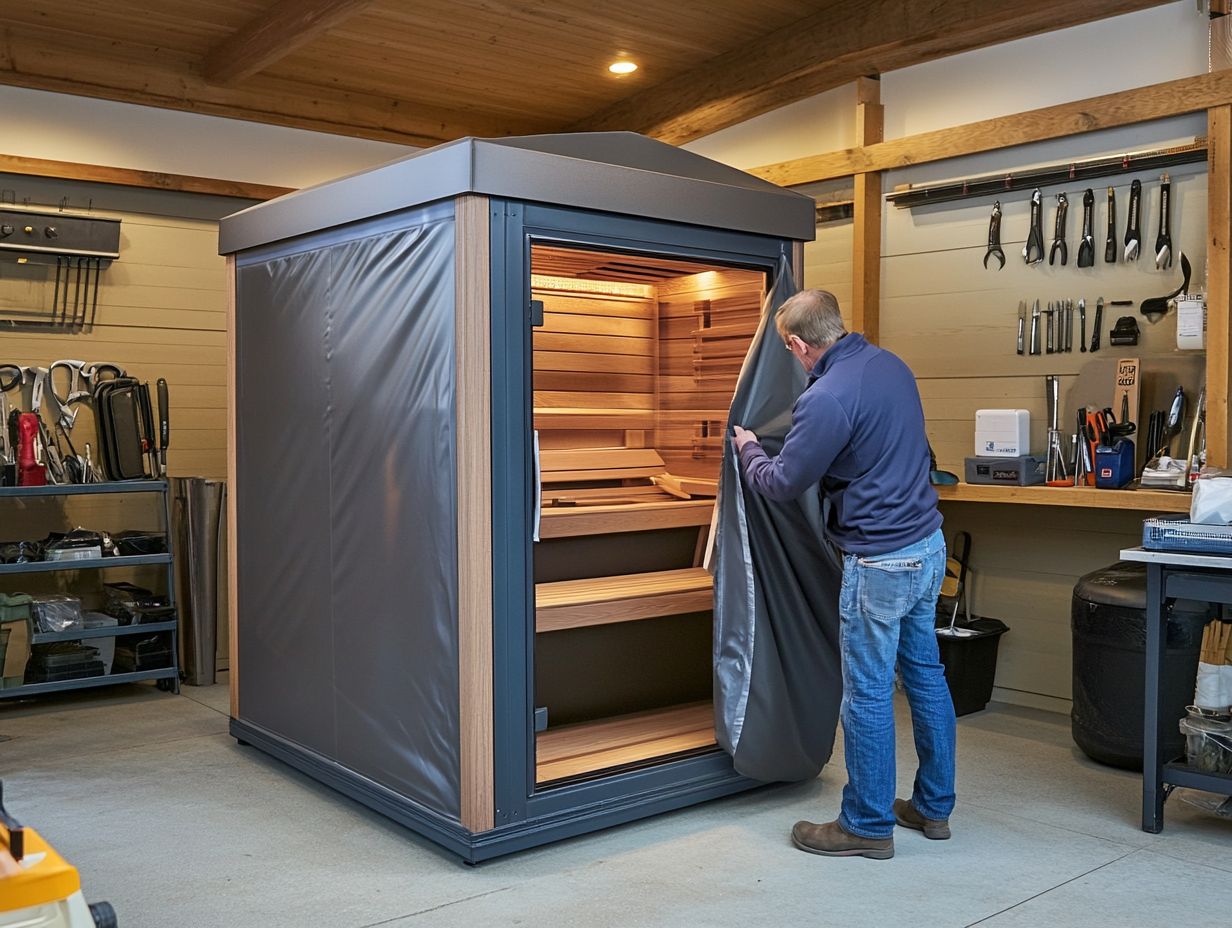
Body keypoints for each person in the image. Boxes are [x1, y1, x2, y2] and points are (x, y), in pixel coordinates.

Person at [732, 289, 955, 861]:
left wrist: (751, 449)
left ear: (799, 344)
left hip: (881, 562)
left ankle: (866, 824)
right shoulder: (890, 365)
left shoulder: (827, 396)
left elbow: (782, 484)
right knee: (926, 677)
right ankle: (933, 808)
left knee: (868, 694)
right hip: (928, 546)